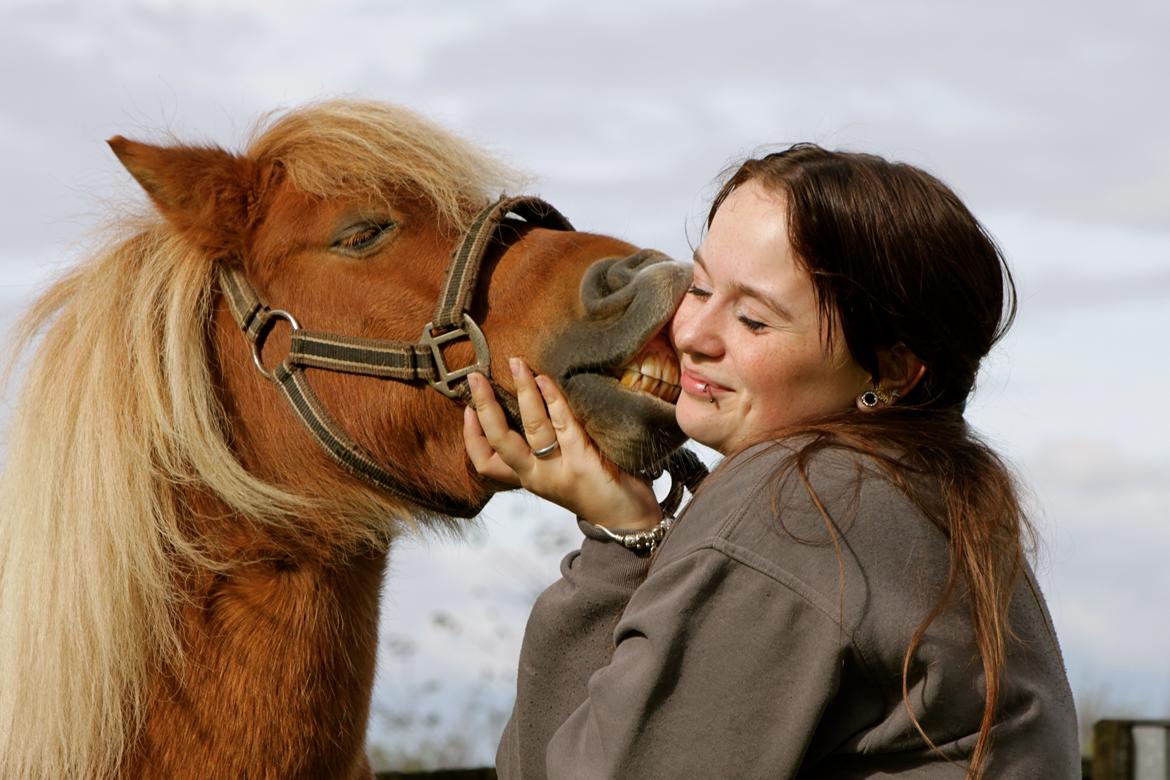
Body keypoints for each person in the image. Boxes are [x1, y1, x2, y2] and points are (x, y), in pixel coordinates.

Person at [463, 144, 1080, 779]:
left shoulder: (802, 501)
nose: (694, 334)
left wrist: (612, 559)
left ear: (891, 371)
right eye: (698, 286)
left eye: (754, 320)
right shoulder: (918, 494)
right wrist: (623, 532)